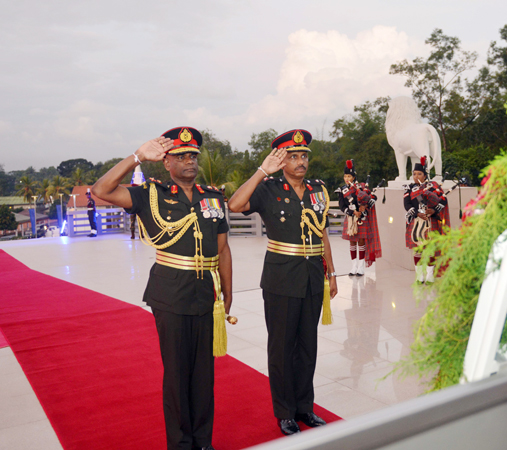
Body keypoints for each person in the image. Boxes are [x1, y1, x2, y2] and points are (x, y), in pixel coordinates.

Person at [92, 127, 234, 450]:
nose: (189, 161)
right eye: (181, 156)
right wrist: (138, 156)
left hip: (205, 297)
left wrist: (227, 294)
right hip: (170, 296)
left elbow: (223, 250)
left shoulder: (213, 197)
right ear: (166, 162)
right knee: (176, 377)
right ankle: (181, 444)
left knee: (203, 377)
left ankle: (203, 441)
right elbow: (102, 189)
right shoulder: (151, 194)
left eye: (193, 156)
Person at [228, 129, 338, 436]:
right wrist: (262, 170)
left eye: (304, 156)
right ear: (281, 159)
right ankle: (285, 412)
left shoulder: (318, 190)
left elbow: (322, 232)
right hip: (281, 279)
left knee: (307, 346)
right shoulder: (267, 188)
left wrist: (332, 273)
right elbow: (235, 205)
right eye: (293, 157)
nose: (301, 162)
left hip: (313, 277)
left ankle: (305, 407)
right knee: (282, 348)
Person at [403, 156, 450, 283]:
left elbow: (443, 200)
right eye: (414, 174)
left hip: (431, 221)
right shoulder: (409, 188)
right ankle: (419, 276)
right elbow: (407, 204)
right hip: (416, 221)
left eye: (419, 174)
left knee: (430, 249)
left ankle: (430, 276)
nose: (416, 176)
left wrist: (434, 210)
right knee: (417, 249)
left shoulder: (433, 186)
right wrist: (418, 213)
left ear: (425, 175)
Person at [338, 160, 382, 276]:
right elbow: (342, 206)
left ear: (353, 177)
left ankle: (361, 267)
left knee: (361, 242)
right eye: (345, 176)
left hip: (362, 218)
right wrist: (352, 212)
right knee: (352, 242)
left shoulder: (361, 187)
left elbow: (373, 197)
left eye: (349, 176)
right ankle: (354, 266)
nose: (346, 178)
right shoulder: (342, 190)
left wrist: (365, 206)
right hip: (351, 218)